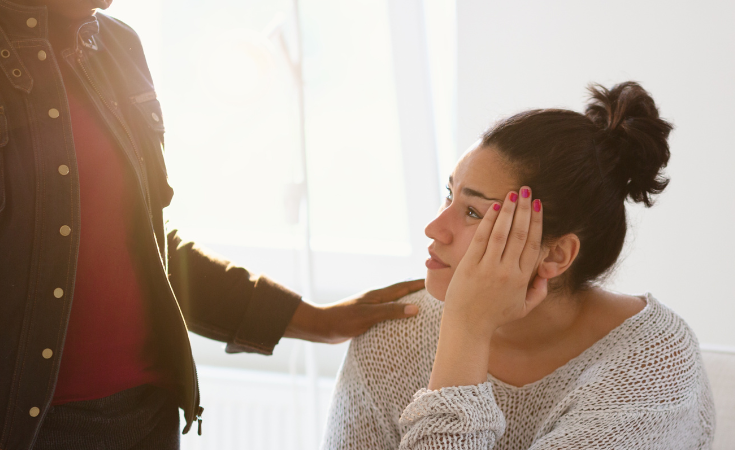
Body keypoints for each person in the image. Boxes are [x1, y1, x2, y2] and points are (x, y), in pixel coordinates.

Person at [0, 1, 424, 449]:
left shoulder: (117, 45)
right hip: (23, 423)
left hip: (146, 415)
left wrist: (314, 320)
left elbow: (148, 244)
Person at [324, 82, 715, 449]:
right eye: (449, 195)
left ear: (555, 255)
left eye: (474, 211)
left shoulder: (654, 367)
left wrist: (466, 330)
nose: (434, 228)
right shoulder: (391, 338)